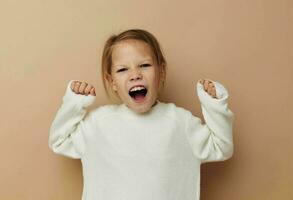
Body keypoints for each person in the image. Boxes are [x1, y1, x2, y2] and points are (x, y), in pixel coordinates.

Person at [49, 28, 234, 200]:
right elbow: (59, 141)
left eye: (144, 65)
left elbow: (221, 147)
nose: (135, 74)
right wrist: (74, 104)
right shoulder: (99, 122)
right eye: (123, 69)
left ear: (161, 72)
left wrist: (215, 106)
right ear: (111, 81)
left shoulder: (179, 122)